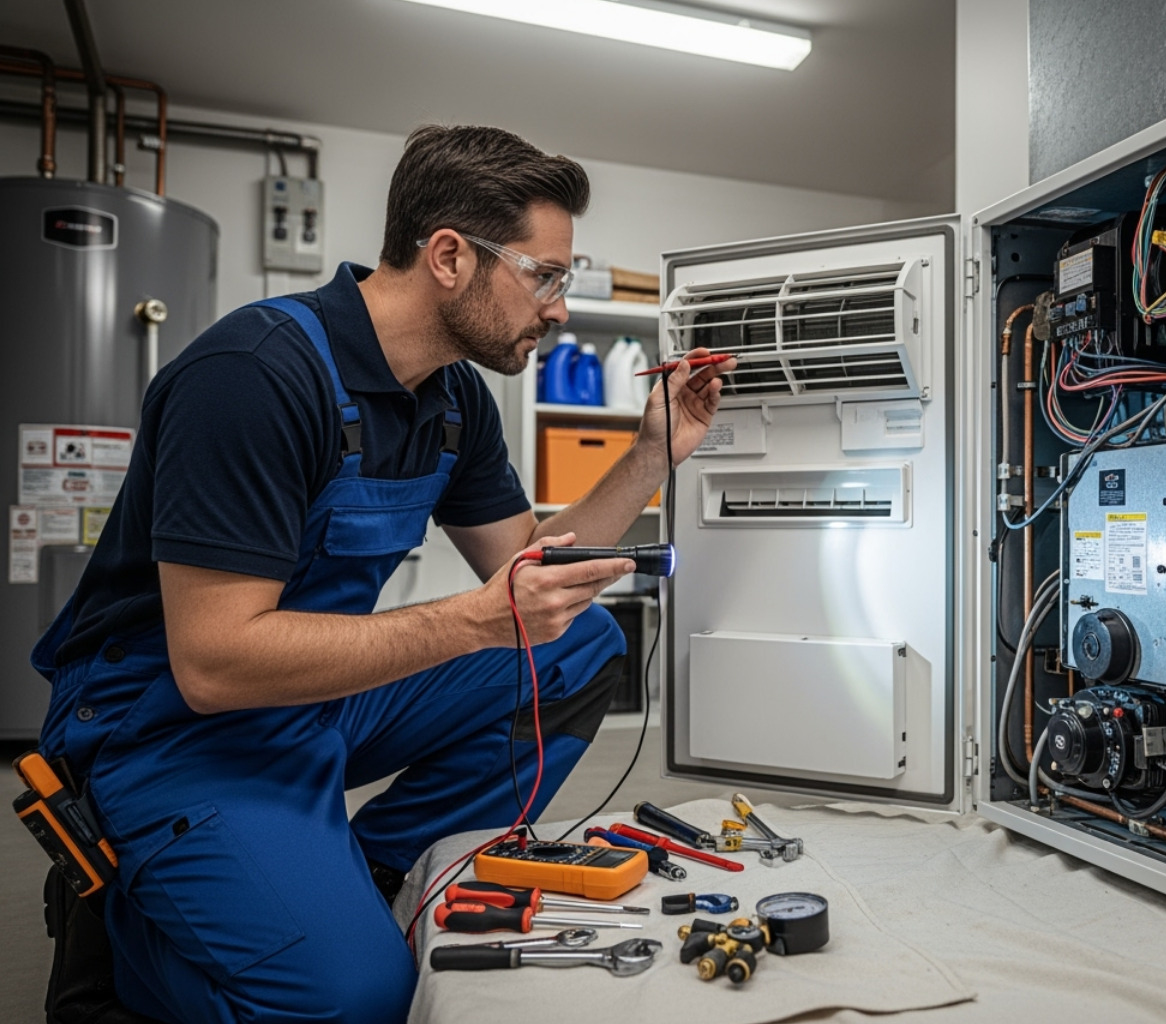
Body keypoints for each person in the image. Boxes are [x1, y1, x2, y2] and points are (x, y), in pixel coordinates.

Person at [31, 124, 733, 1023]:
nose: (557, 308)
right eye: (545, 275)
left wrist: (650, 456)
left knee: (580, 645)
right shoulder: (252, 375)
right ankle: (130, 941)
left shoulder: (452, 398)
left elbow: (531, 573)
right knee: (359, 1001)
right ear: (449, 256)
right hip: (167, 726)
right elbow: (213, 663)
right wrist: (477, 620)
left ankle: (366, 870)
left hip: (312, 703)